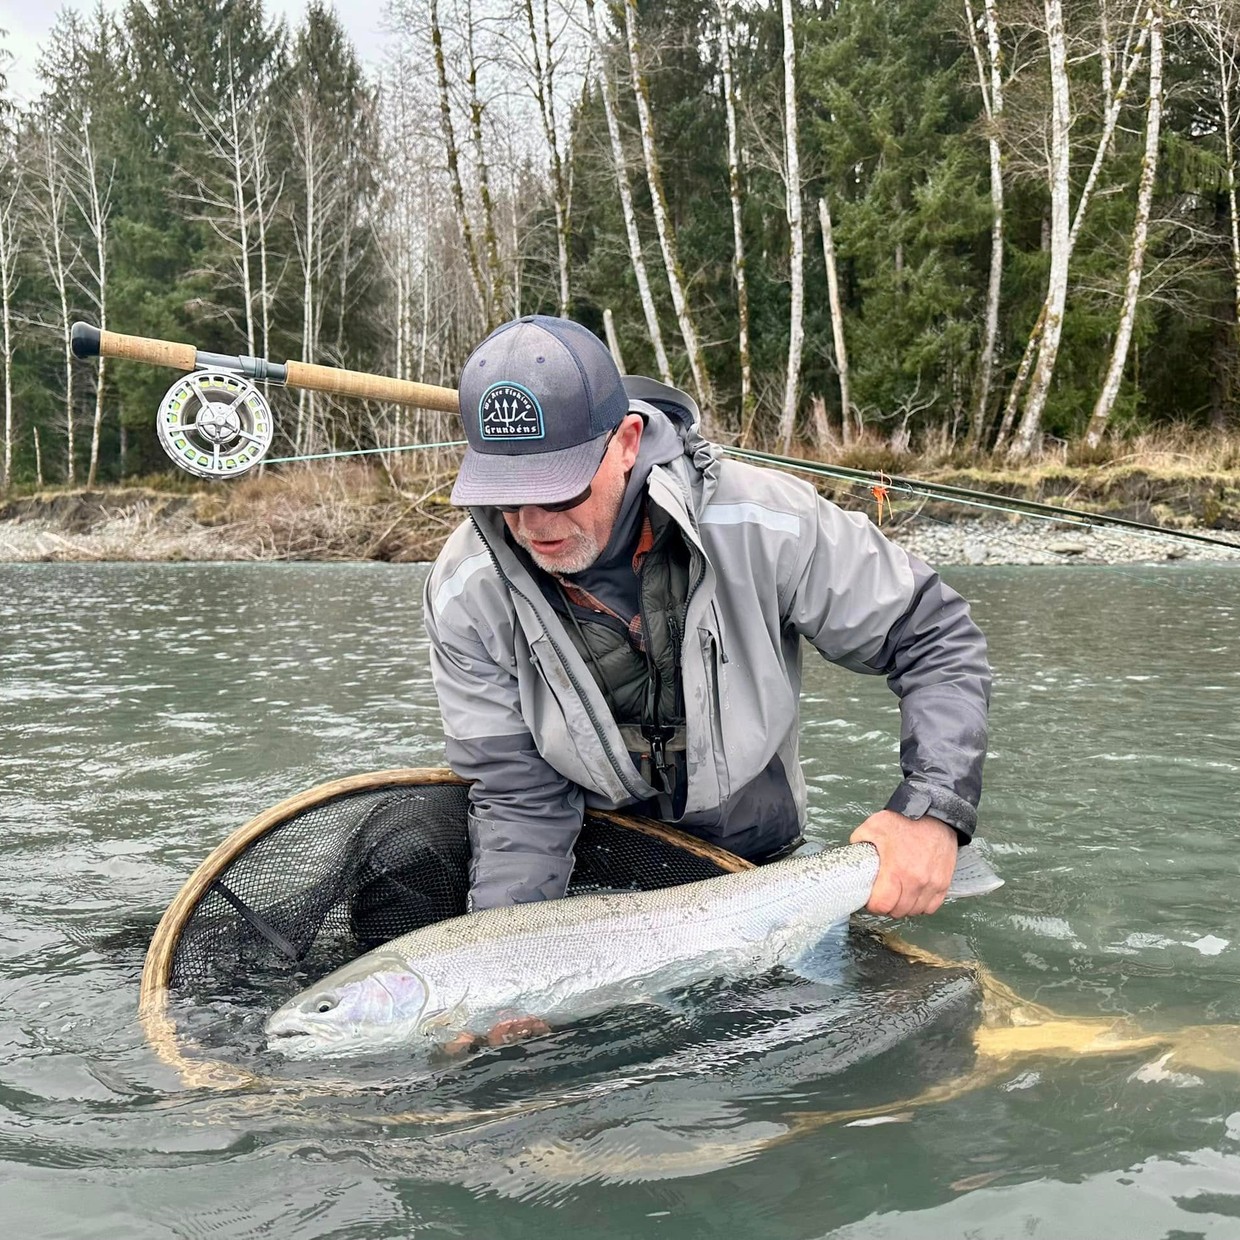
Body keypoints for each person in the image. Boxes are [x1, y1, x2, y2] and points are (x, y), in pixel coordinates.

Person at [424, 315, 991, 922]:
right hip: (597, 880)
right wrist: (504, 942)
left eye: (559, 491)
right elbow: (518, 797)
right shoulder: (466, 589)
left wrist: (933, 810)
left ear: (627, 442)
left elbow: (933, 635)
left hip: (762, 866)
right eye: (506, 495)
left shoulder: (765, 521)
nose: (533, 525)